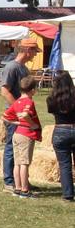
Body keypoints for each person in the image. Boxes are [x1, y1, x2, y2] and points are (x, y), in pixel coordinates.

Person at [0, 40, 39, 190]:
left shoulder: (23, 68)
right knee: (11, 147)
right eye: (35, 51)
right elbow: (5, 91)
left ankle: (22, 182)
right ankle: (9, 181)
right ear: (27, 50)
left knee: (22, 150)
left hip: (22, 116)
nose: (35, 54)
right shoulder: (12, 67)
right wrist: (18, 110)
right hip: (15, 117)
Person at [3, 75, 42, 198]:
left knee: (17, 163)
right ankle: (25, 190)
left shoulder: (17, 102)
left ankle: (17, 188)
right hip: (26, 134)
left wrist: (17, 123)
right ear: (32, 90)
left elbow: (4, 116)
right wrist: (32, 125)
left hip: (17, 133)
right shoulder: (28, 101)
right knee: (24, 163)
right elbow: (25, 114)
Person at [47, 71, 75, 203]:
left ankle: (68, 194)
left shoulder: (52, 99)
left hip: (60, 129)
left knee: (64, 165)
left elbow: (51, 110)